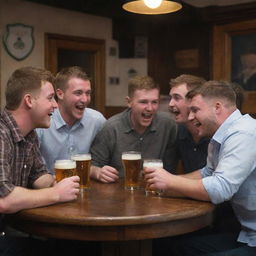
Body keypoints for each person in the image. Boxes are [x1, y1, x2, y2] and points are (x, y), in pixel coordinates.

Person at [145, 80, 256, 255]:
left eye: (195, 110)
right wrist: (161, 182)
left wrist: (170, 181)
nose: (190, 117)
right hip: (247, 234)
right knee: (176, 246)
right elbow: (207, 173)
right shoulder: (223, 134)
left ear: (217, 107)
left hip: (252, 238)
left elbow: (220, 189)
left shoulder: (243, 134)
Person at [0, 67, 80, 255]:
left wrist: (57, 181)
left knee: (74, 246)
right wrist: (57, 194)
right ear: (29, 100)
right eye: (50, 98)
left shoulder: (30, 134)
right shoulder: (1, 134)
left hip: (10, 229)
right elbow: (3, 200)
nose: (55, 105)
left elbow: (37, 176)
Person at [90, 75, 177, 183]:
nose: (150, 108)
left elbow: (171, 169)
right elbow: (92, 165)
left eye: (154, 102)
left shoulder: (168, 125)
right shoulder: (112, 128)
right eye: (143, 102)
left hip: (155, 191)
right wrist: (98, 172)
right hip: (119, 193)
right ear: (129, 102)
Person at [37, 66, 106, 172]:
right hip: (49, 186)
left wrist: (96, 171)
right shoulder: (42, 122)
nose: (85, 99)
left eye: (88, 93)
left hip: (85, 186)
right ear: (60, 94)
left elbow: (101, 159)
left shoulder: (97, 121)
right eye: (78, 93)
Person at [169, 74, 209, 173]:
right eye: (171, 98)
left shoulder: (215, 133)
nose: (170, 104)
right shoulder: (179, 131)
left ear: (194, 101)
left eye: (177, 98)